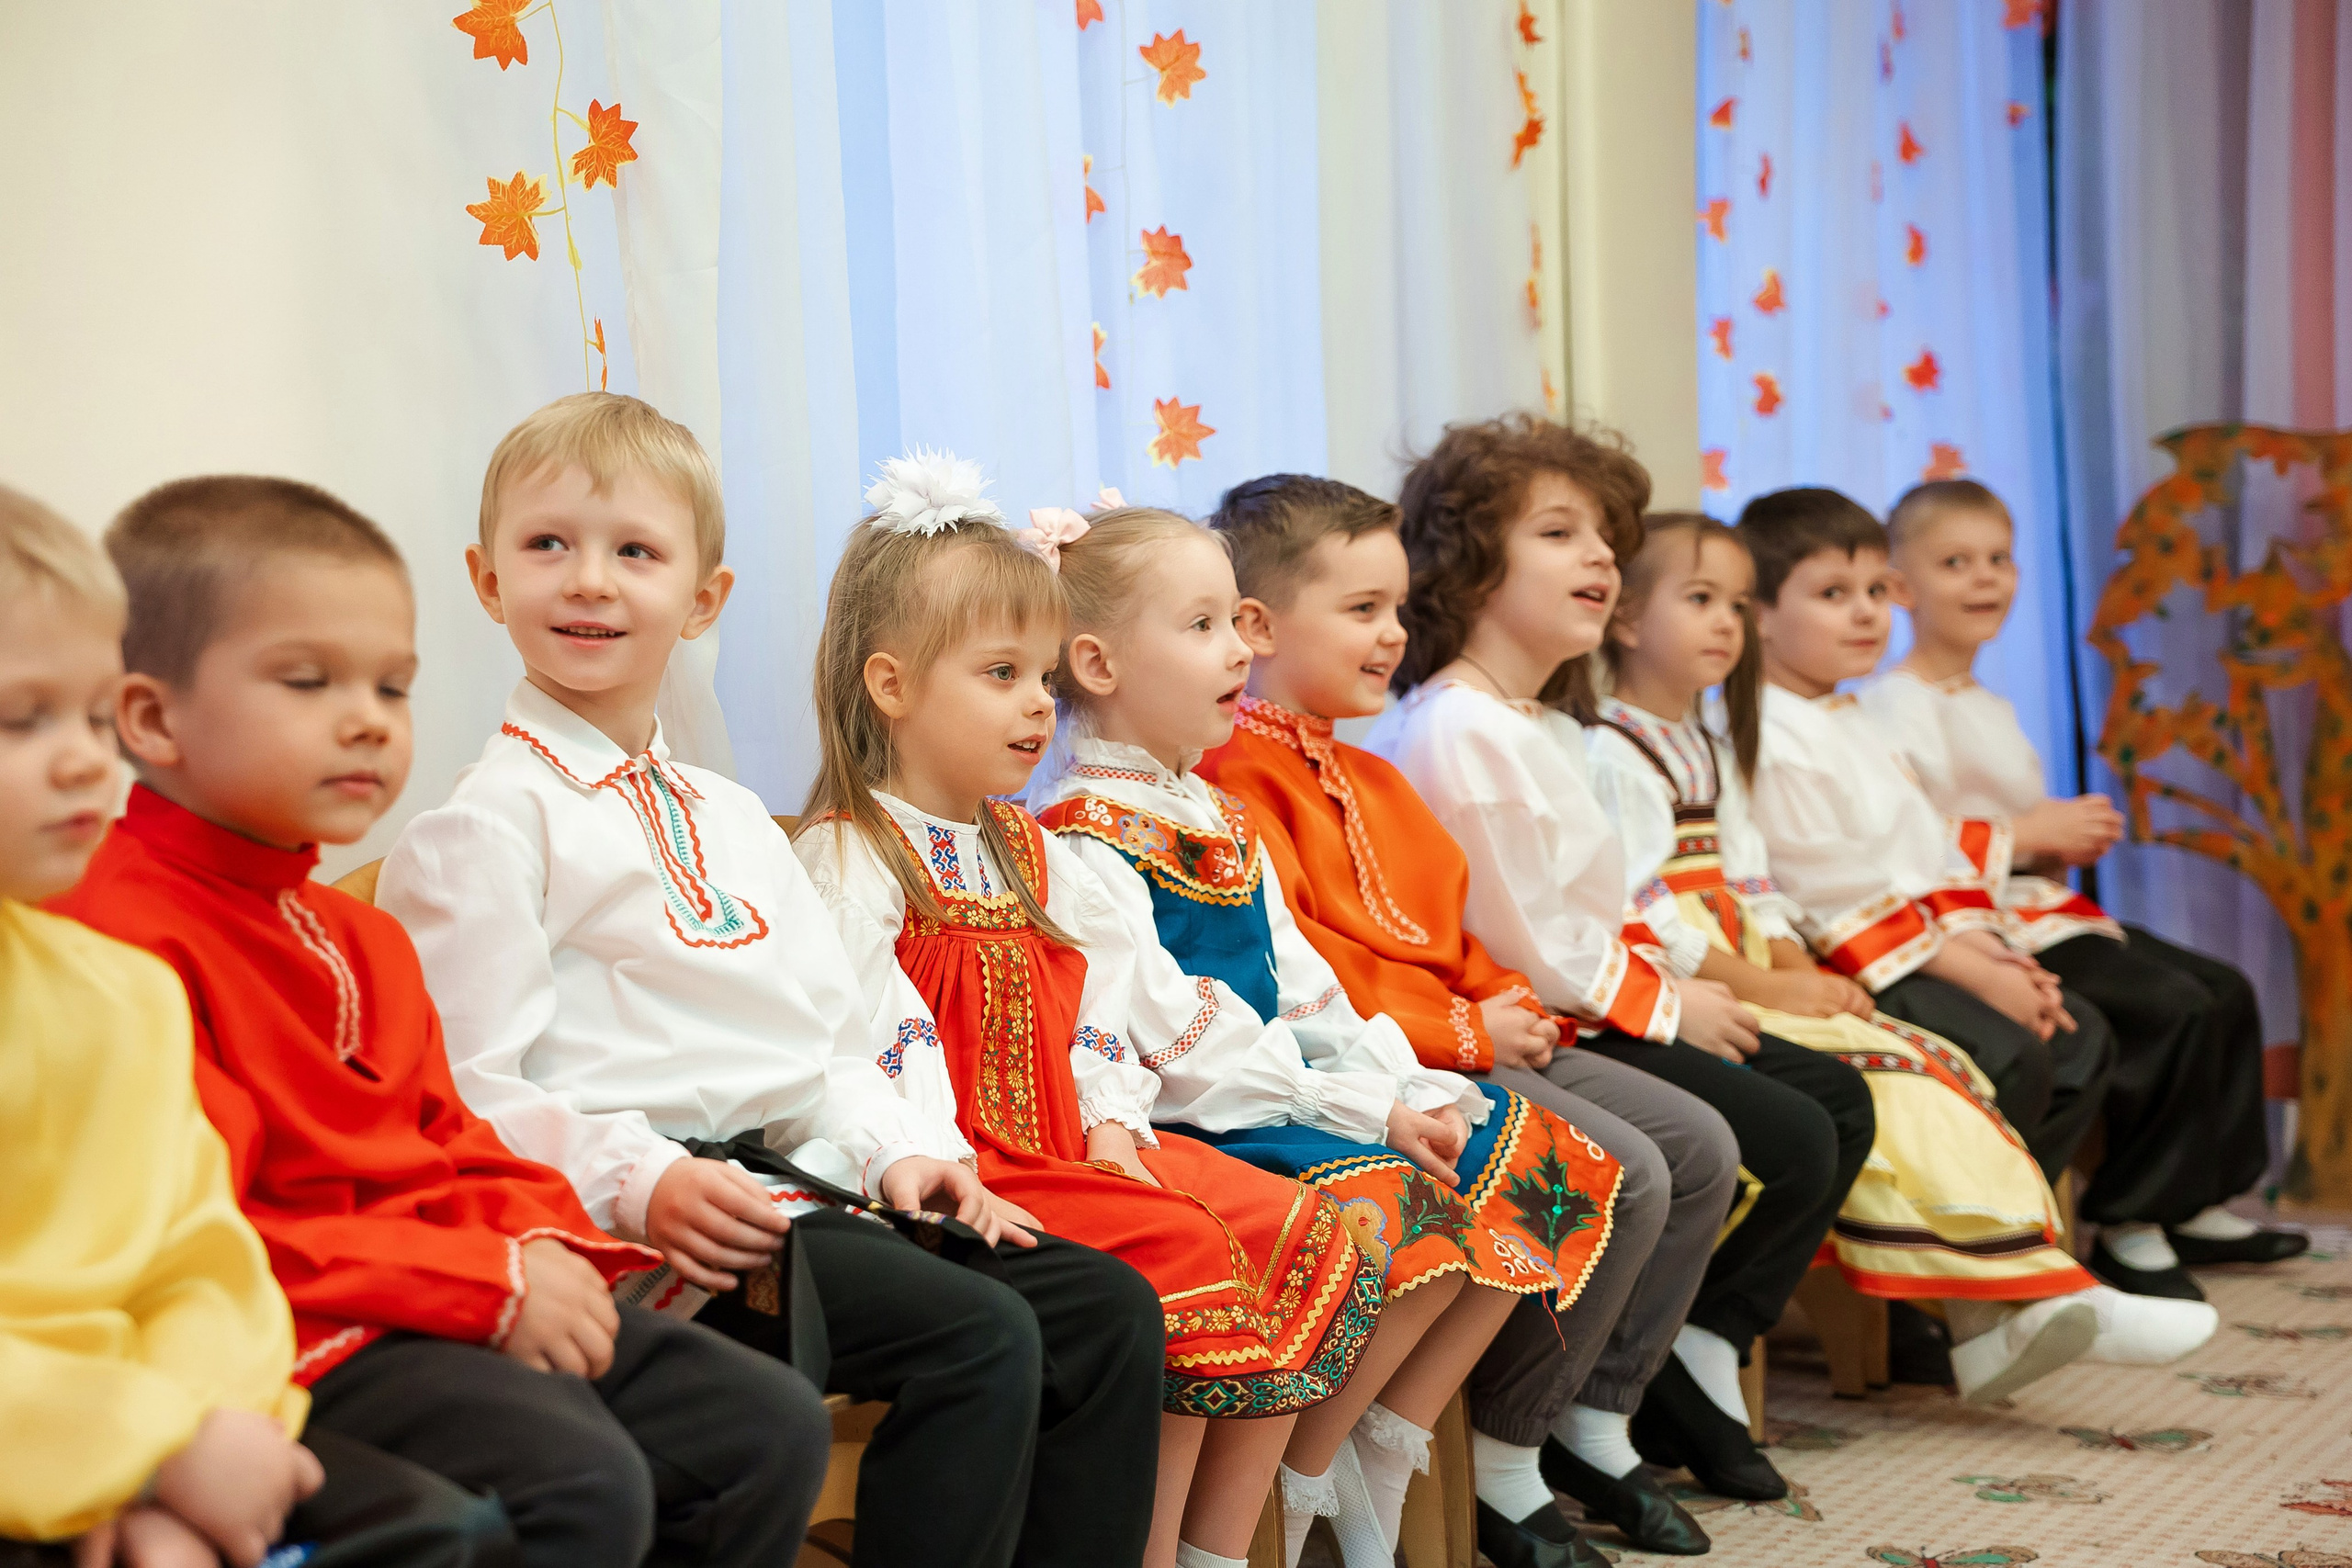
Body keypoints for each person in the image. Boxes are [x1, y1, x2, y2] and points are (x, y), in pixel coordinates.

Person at [379, 401, 1165, 1568]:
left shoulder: (733, 817)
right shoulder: (485, 825)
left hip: (795, 1185)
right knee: (981, 1336)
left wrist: (895, 1152)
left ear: (704, 599)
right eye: (548, 546)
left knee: (1102, 1311)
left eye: (635, 552)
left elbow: (831, 1044)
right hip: (644, 1216)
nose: (589, 581)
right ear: (487, 580)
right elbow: (467, 1093)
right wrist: (643, 1178)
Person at [51, 471, 829, 1568]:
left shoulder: (355, 936)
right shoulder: (121, 934)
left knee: (762, 1423)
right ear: (152, 715)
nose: (367, 722)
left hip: (423, 1286)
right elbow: (208, 1231)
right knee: (581, 1480)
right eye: (310, 682)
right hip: (296, 1320)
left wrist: (543, 1243)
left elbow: (451, 1135)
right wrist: (490, 1285)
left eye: (394, 687)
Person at [786, 454, 1380, 1568]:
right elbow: (865, 1041)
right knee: (1178, 1251)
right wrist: (929, 1158)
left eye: (1045, 678)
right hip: (966, 1161)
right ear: (891, 685)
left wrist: (1111, 1112)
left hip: (1065, 1145)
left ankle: (1204, 1546)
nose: (1035, 707)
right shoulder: (851, 855)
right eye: (1001, 674)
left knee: (1271, 1226)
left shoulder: (1038, 855)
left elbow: (1098, 1016)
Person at [1027, 499, 1626, 1568]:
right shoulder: (1080, 836)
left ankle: (1369, 1453)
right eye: (1204, 626)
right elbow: (1185, 1042)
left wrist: (1406, 1087)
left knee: (1534, 1155)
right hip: (1214, 1120)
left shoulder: (1216, 817)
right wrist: (1367, 1111)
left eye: (1240, 623)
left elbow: (1309, 996)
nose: (1238, 649)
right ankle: (1301, 1488)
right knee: (1404, 1209)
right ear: (1098, 662)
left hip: (1291, 1095)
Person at [1198, 474, 1740, 1566]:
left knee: (1697, 1143)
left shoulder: (1369, 776)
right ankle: (1498, 1451)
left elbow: (1453, 929)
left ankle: (1563, 1423)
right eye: (1361, 611)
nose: (1394, 636)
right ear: (1257, 627)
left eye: (1396, 609)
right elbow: (1313, 976)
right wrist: (1467, 1035)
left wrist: (1506, 1007)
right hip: (1384, 1058)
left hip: (1462, 1037)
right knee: (1619, 1164)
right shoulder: (1232, 775)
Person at [1587, 509, 2216, 1399]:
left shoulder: (1731, 735)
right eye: (1704, 600)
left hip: (1787, 957)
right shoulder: (1655, 742)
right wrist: (1792, 978)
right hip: (1717, 976)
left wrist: (1982, 956)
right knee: (1948, 1068)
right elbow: (1699, 904)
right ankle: (1979, 1296)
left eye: (1875, 592)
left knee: (1979, 1056)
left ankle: (2003, 1292)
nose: (1864, 615)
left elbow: (1814, 875)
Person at [1363, 415, 1874, 1509]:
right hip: (1508, 1020)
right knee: (1693, 1145)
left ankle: (1607, 1401)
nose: (1601, 556)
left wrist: (1685, 987)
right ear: (1470, 561)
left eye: (1605, 534)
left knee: (1748, 1125)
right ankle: (1551, 1421)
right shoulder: (1460, 730)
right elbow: (1526, 942)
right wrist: (1673, 1007)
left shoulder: (1539, 723)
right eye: (1560, 532)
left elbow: (1599, 908)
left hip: (1569, 1006)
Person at [2, 484, 509, 1568]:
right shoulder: (145, 936)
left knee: (446, 1530)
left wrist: (198, 1437)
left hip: (163, 1419)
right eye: (20, 719)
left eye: (93, 718)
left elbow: (198, 1258)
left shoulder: (114, 990)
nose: (90, 760)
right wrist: (138, 1455)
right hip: (62, 1432)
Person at [1861, 477, 2301, 1293]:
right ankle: (2129, 1216)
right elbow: (1897, 842)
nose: (1986, 577)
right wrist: (2029, 835)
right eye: (1957, 561)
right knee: (2169, 1006)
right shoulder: (1893, 703)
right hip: (1974, 927)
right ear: (1902, 586)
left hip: (2037, 907)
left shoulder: (1986, 701)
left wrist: (2052, 842)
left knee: (2226, 989)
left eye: (1999, 558)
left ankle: (2197, 1202)